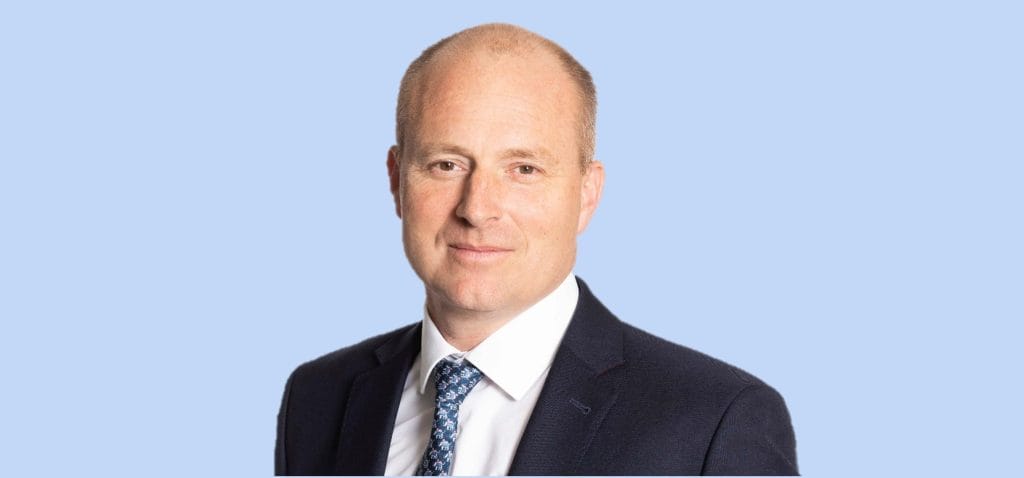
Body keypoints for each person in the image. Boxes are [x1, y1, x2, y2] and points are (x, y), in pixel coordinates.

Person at [275, 23, 798, 476]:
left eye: (523, 169)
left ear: (586, 194)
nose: (477, 209)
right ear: (396, 181)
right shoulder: (319, 398)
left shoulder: (714, 423)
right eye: (446, 165)